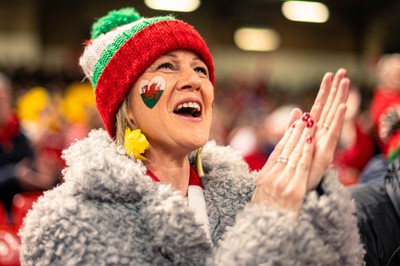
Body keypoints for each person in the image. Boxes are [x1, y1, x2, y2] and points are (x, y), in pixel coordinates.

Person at [19, 7, 364, 265]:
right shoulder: (67, 223)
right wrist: (266, 223)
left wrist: (308, 195)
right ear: (125, 104)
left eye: (201, 70)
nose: (195, 81)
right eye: (167, 66)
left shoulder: (250, 193)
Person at [0, 73, 59, 224]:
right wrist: (14, 175)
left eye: (3, 99)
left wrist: (45, 172)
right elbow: (17, 172)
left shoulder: (16, 131)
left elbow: (30, 161)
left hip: (23, 211)